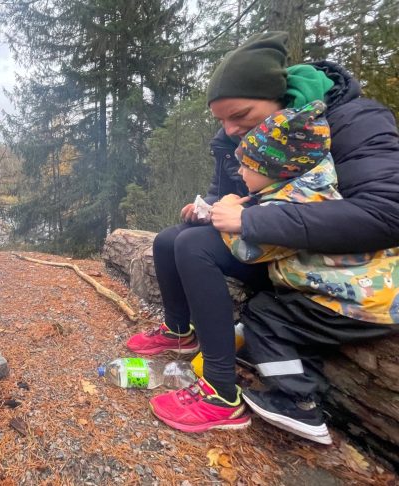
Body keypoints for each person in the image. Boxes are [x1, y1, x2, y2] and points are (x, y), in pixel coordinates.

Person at [126, 31, 399, 438]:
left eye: (239, 116)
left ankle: (219, 394)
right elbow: (233, 193)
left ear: (280, 98)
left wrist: (250, 220)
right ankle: (179, 333)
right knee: (171, 238)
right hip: (285, 250)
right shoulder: (235, 135)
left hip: (343, 267)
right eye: (220, 119)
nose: (230, 129)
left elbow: (385, 213)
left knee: (192, 246)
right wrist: (210, 209)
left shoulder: (354, 120)